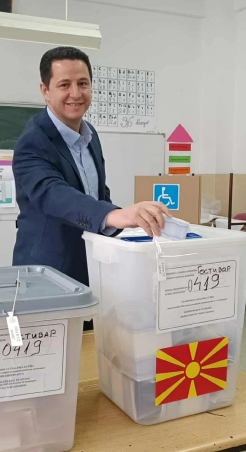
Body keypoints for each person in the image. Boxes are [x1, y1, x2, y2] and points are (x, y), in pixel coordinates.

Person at [12, 46, 171, 290]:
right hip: (47, 271)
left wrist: (123, 230)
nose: (76, 93)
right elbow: (53, 194)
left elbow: (97, 192)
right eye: (64, 85)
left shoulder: (90, 134)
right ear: (45, 91)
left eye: (83, 83)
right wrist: (117, 215)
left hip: (92, 263)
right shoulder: (33, 141)